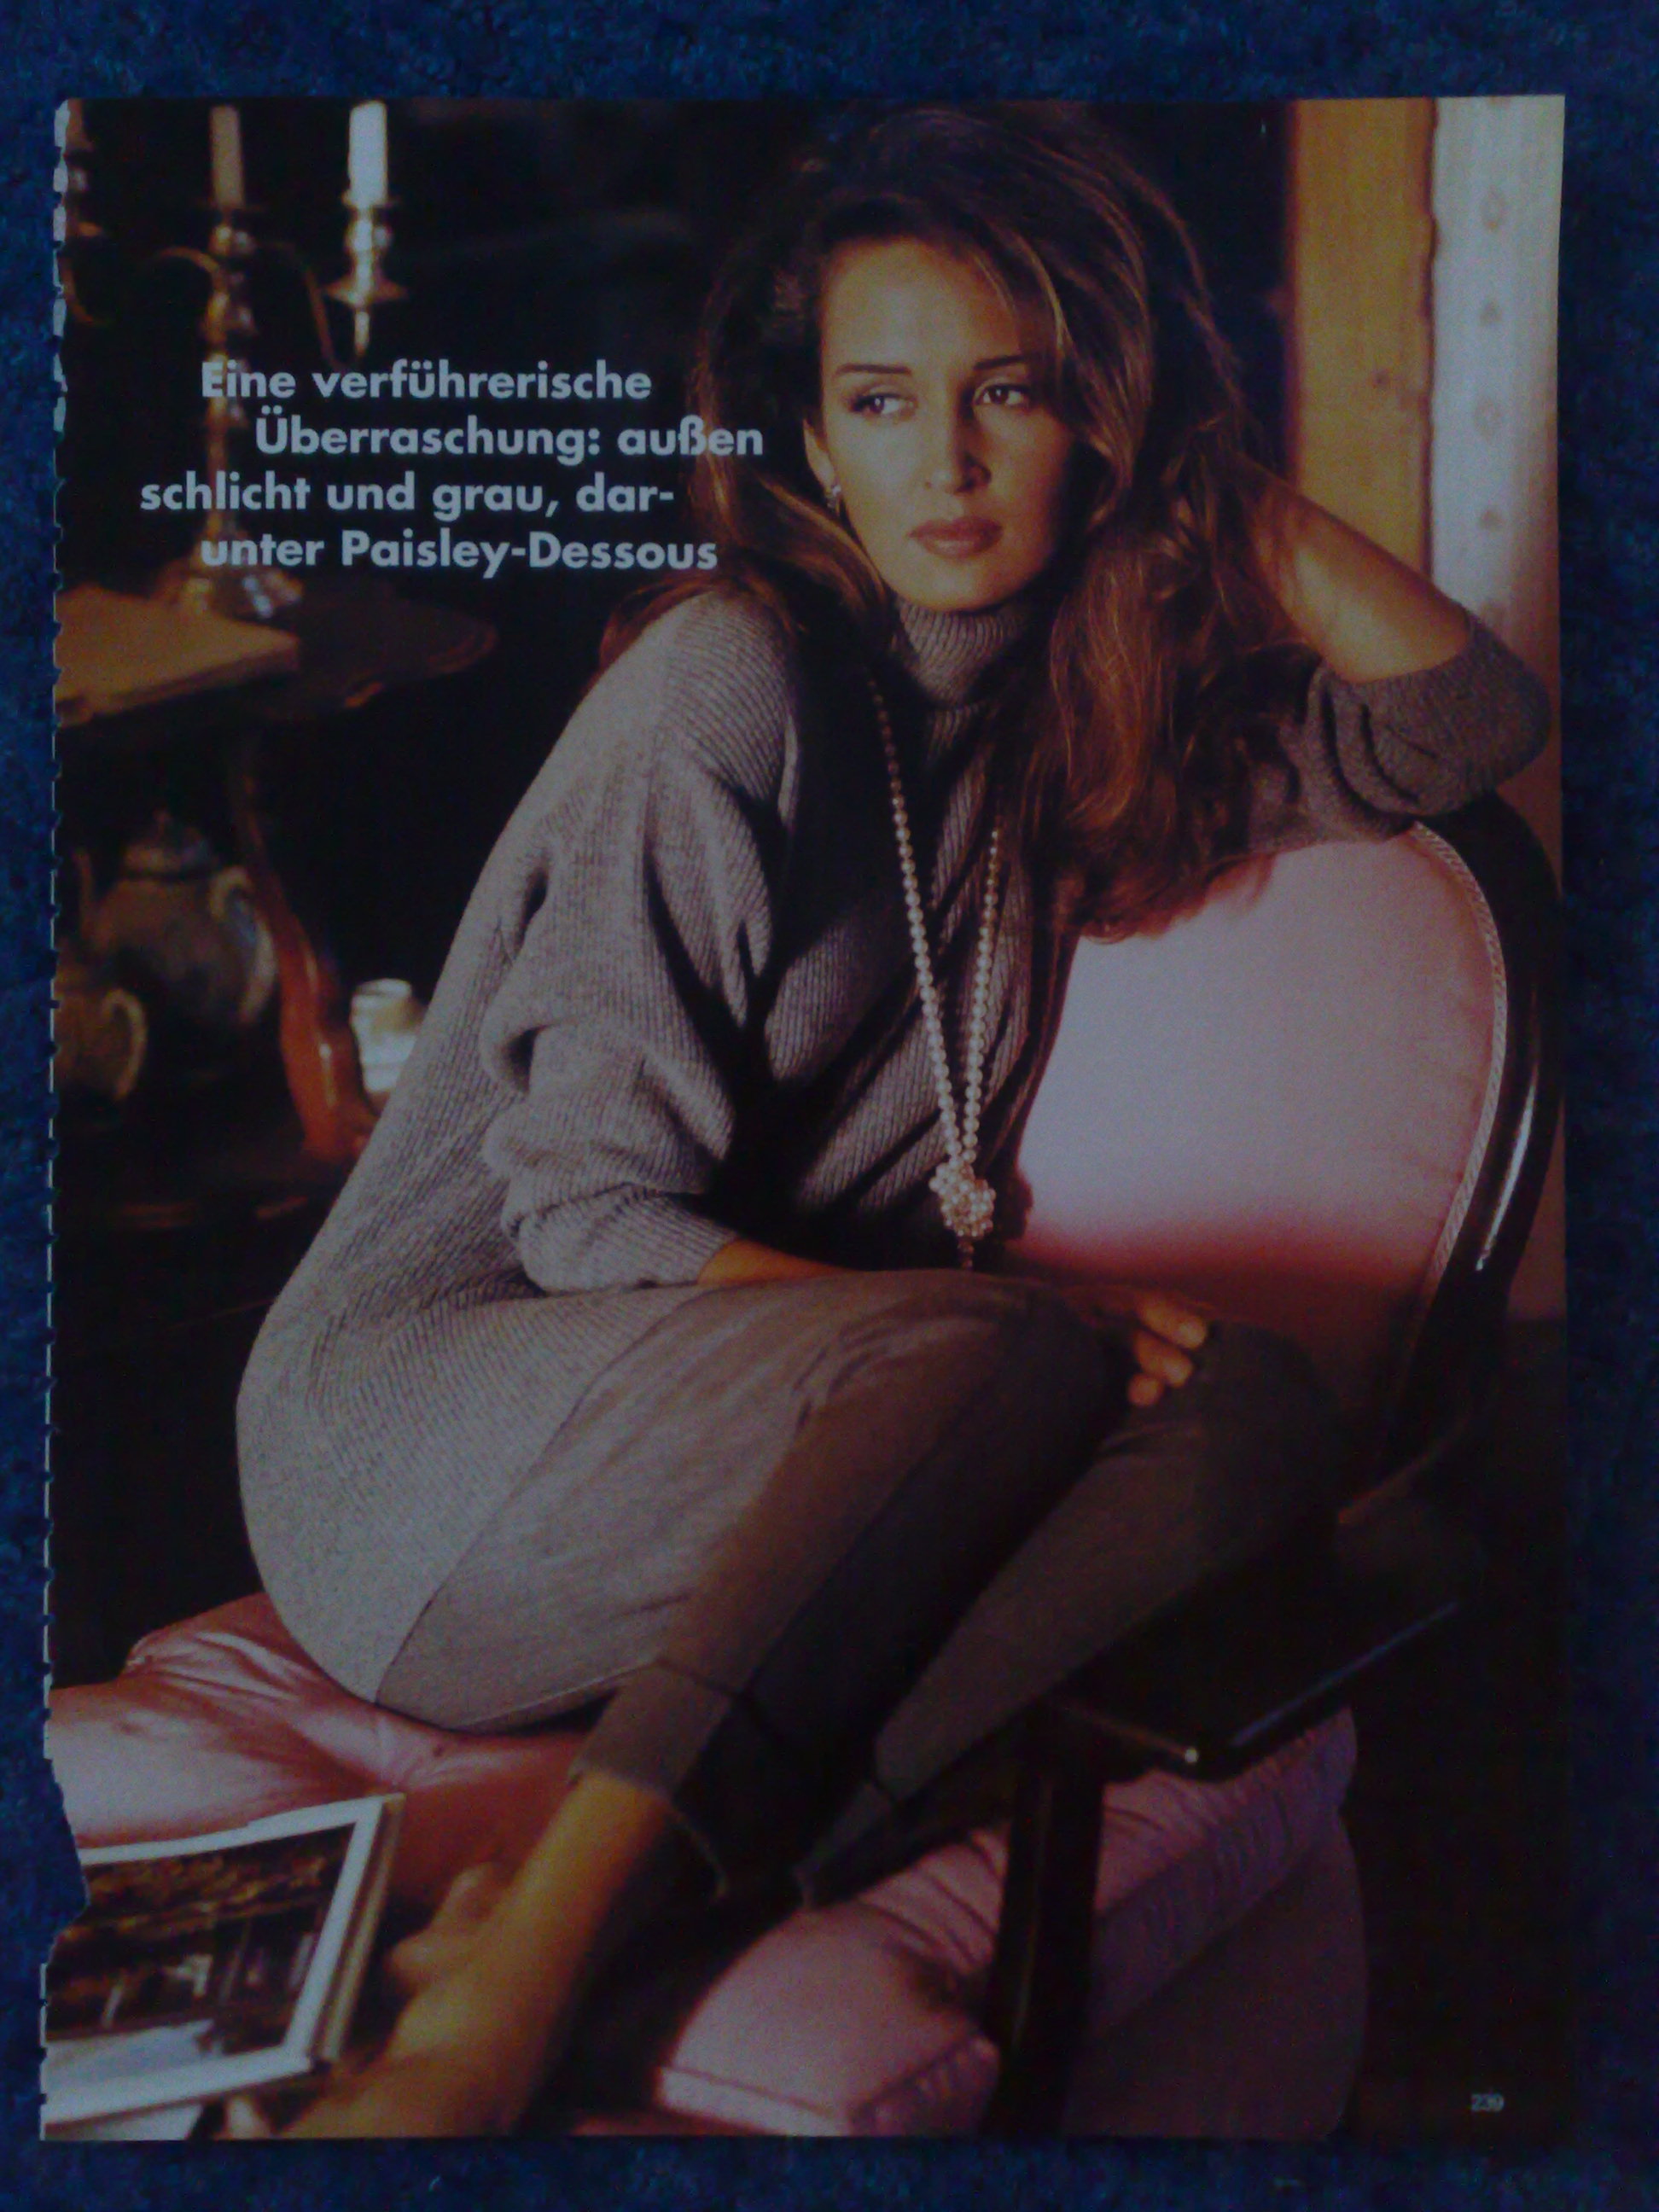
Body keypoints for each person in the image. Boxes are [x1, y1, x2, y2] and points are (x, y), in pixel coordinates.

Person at [236, 107, 1551, 2134]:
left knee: (1261, 1415)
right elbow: (587, 1217)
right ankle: (517, 1983)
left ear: (1094, 419)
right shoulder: (734, 680)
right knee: (1019, 1344)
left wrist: (1205, 481)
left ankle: (674, 1887)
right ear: (811, 441)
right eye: (880, 400)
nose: (943, 464)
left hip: (773, 1433)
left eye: (1008, 394)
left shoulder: (1077, 729)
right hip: (422, 1450)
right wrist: (1015, 1337)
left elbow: (1463, 722)